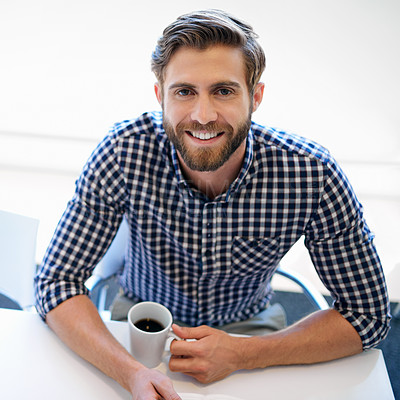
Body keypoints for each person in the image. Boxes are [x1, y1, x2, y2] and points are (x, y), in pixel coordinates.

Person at [34, 9, 391, 400]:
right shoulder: (123, 151)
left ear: (255, 96)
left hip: (249, 327)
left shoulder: (312, 174)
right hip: (142, 320)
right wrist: (130, 373)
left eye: (223, 91)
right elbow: (56, 281)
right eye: (184, 91)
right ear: (161, 96)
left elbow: (368, 316)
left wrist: (244, 353)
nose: (203, 116)